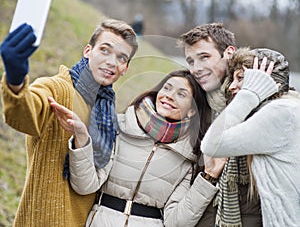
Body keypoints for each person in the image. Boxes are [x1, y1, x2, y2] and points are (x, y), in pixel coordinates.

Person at [0, 19, 138, 227]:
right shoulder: (57, 88)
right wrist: (15, 80)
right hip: (45, 220)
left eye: (121, 58)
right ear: (88, 51)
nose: (111, 62)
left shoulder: (107, 115)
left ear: (125, 68)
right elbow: (25, 115)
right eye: (105, 50)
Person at [48, 69, 226, 227]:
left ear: (192, 110)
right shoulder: (119, 127)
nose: (169, 96)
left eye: (181, 94)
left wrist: (208, 178)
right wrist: (81, 138)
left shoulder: (189, 156)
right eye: (167, 88)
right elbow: (85, 185)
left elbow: (176, 222)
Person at [201, 47, 300, 227]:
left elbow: (211, 144)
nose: (231, 85)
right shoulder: (288, 109)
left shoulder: (281, 112)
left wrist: (249, 94)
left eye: (241, 78)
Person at [178, 23, 262, 226]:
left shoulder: (258, 97)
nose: (196, 68)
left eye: (204, 57)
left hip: (250, 215)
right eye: (191, 61)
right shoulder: (196, 103)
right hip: (206, 213)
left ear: (229, 53)